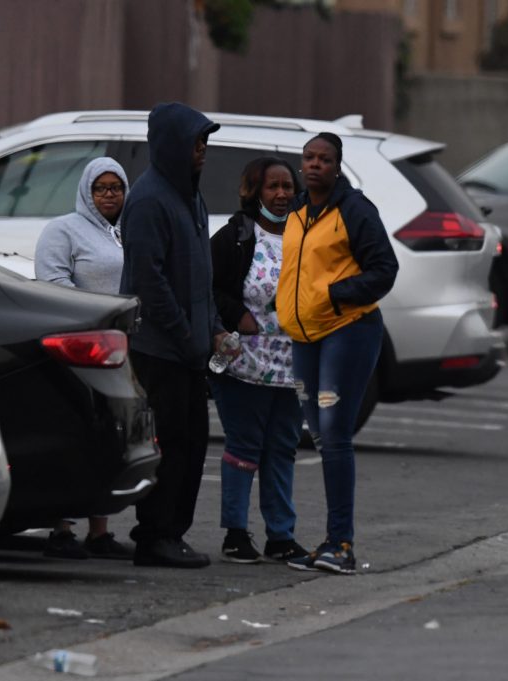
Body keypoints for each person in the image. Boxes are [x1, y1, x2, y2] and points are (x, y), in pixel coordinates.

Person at [276, 132, 399, 575]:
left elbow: (385, 269)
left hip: (348, 329)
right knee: (320, 435)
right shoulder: (296, 210)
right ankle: (329, 542)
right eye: (308, 158)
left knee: (335, 433)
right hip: (305, 336)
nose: (314, 166)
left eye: (324, 159)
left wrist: (333, 295)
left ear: (337, 165)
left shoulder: (355, 210)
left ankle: (341, 545)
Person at [119, 101, 234, 569]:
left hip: (190, 351)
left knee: (190, 446)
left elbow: (198, 276)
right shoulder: (149, 200)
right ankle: (155, 535)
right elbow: (150, 282)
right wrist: (187, 335)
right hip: (160, 351)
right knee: (167, 445)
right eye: (195, 141)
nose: (202, 150)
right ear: (172, 145)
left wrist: (215, 330)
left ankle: (172, 532)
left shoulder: (191, 196)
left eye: (205, 140)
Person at [209, 156, 308, 564]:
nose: (282, 194)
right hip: (243, 364)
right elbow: (209, 290)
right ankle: (235, 534)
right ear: (254, 191)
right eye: (273, 187)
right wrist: (238, 316)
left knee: (282, 447)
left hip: (290, 365)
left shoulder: (305, 235)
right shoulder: (235, 236)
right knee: (245, 447)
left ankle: (281, 535)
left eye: (288, 186)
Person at [34, 156, 133, 560]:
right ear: (86, 191)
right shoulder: (63, 230)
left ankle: (100, 530)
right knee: (72, 434)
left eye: (117, 187)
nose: (109, 195)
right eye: (101, 188)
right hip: (78, 348)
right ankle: (60, 528)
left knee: (112, 438)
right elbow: (53, 283)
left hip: (122, 349)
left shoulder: (126, 232)